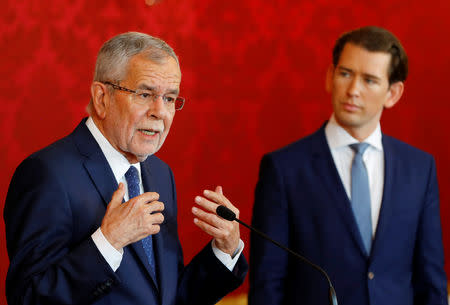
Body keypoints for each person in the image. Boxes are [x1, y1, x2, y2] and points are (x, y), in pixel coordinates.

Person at [4, 32, 247, 305]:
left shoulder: (160, 173)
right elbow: (28, 298)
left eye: (169, 98)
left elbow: (166, 297)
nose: (160, 112)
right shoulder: (47, 174)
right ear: (101, 98)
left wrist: (224, 250)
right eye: (145, 94)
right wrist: (108, 242)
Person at [249, 26, 448, 305]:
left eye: (369, 80)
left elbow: (431, 281)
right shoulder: (284, 169)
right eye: (345, 74)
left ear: (393, 93)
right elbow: (267, 285)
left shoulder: (419, 168)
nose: (353, 90)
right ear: (330, 77)